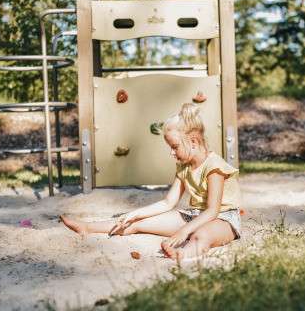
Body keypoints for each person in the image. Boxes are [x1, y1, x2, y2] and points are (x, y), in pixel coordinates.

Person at [60, 103, 242, 260]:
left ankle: (182, 255)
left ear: (193, 141)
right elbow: (168, 202)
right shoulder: (184, 167)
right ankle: (88, 227)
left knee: (202, 235)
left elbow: (212, 211)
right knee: (137, 222)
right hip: (194, 215)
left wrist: (184, 231)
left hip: (223, 220)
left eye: (175, 147)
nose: (172, 152)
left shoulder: (214, 167)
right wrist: (135, 214)